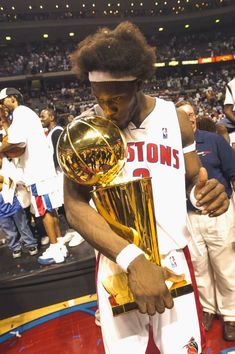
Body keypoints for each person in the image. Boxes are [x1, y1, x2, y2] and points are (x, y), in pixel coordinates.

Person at [63, 22, 228, 354]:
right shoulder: (83, 130)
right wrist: (133, 260)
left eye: (117, 101)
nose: (107, 111)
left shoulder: (175, 118)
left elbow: (194, 179)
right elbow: (74, 208)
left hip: (173, 259)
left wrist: (211, 195)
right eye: (100, 100)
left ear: (138, 85)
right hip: (117, 263)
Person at [176, 100, 235, 342]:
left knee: (226, 266)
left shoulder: (214, 140)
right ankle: (208, 309)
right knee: (199, 268)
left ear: (196, 116)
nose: (188, 118)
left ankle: (231, 314)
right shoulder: (173, 146)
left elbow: (233, 175)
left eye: (191, 114)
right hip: (189, 216)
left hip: (219, 213)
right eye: (182, 115)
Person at [0, 87, 68, 265]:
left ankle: (55, 250)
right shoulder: (26, 113)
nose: (2, 105)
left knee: (43, 210)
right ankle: (60, 244)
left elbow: (16, 142)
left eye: (3, 101)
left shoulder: (21, 113)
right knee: (50, 208)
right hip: (43, 170)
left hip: (36, 172)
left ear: (12, 98)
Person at [40, 107, 84, 248]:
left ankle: (81, 231)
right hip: (56, 174)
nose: (41, 119)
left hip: (62, 173)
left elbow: (61, 155)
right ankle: (72, 229)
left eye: (43, 116)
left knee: (68, 202)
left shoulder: (57, 132)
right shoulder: (51, 132)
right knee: (62, 204)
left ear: (51, 117)